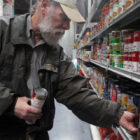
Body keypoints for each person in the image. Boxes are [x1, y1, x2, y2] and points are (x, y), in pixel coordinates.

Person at [0, 0, 138, 139]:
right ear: (44, 5)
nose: (67, 27)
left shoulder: (56, 53)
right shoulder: (3, 31)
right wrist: (11, 103)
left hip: (36, 134)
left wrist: (116, 114)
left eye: (69, 21)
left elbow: (74, 92)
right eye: (64, 17)